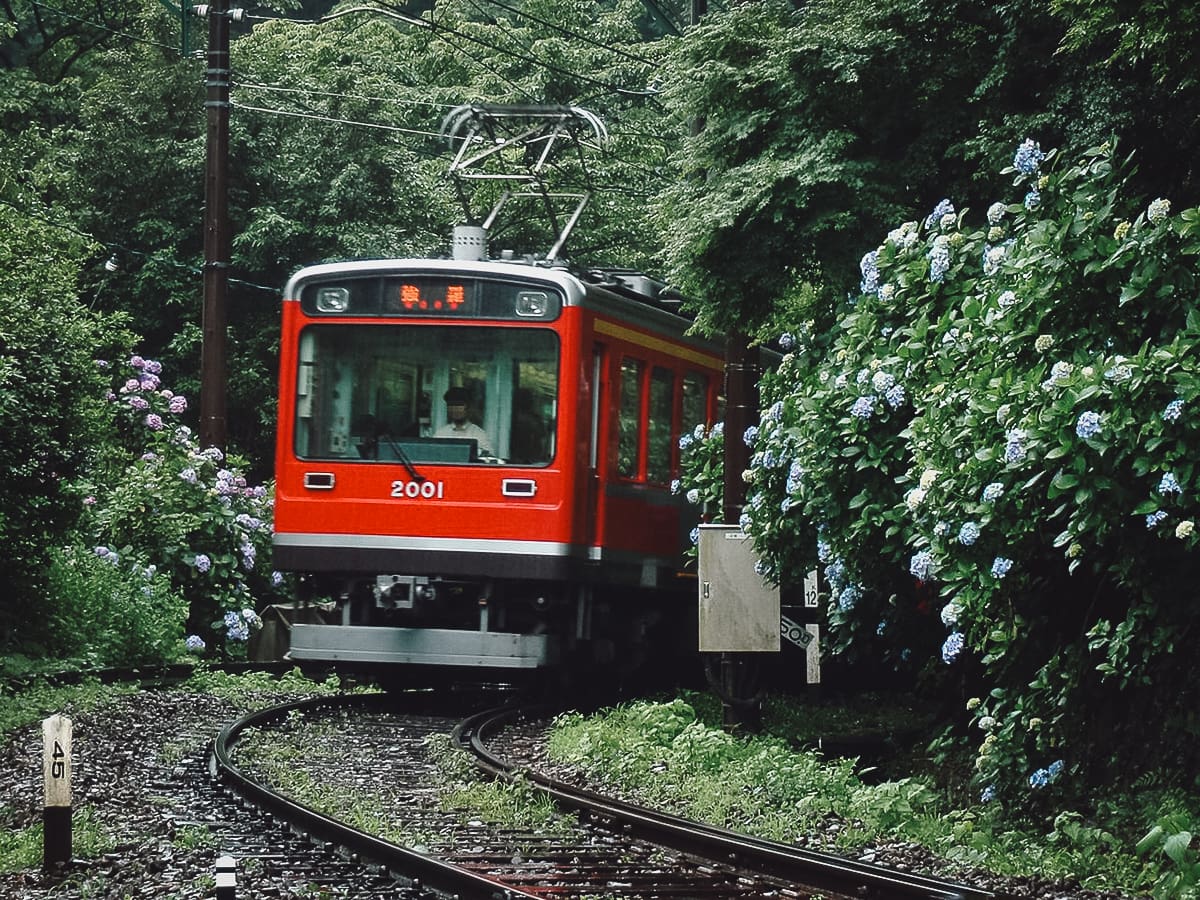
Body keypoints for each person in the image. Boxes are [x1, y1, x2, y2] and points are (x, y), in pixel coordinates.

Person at [434, 386, 494, 457]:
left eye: (459, 405)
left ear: (468, 407)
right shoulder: (440, 434)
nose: (455, 409)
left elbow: (489, 459)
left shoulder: (479, 435)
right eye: (451, 405)